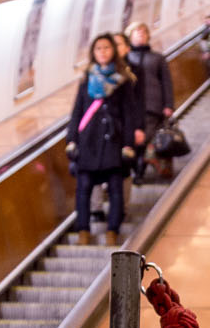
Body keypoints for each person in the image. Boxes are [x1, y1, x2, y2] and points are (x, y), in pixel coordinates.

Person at [65, 35, 144, 246]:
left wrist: (128, 144)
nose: (102, 52)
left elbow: (129, 114)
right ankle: (83, 230)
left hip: (114, 141)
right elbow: (77, 111)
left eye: (106, 48)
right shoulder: (86, 79)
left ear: (113, 51)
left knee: (116, 188)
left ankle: (112, 230)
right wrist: (71, 139)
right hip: (88, 141)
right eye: (98, 48)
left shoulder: (122, 80)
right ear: (93, 52)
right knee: (83, 189)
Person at [126, 21, 174, 183]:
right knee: (134, 139)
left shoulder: (157, 58)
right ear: (130, 36)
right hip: (131, 106)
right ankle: (136, 168)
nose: (140, 34)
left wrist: (169, 104)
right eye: (137, 32)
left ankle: (139, 170)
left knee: (145, 139)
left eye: (143, 32)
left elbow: (166, 82)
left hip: (152, 104)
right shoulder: (126, 59)